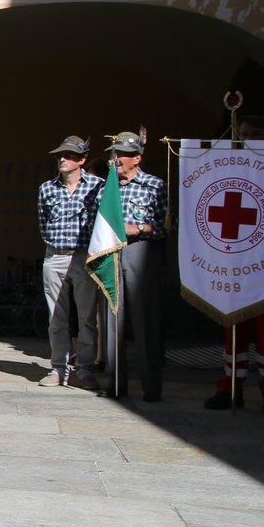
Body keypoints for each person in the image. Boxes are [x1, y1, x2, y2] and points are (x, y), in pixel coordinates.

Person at [207, 116, 264, 416]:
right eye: (243, 134)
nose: (248, 139)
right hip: (233, 266)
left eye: (256, 134)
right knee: (233, 333)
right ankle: (230, 388)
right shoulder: (226, 168)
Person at [98, 131, 167, 401]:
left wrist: (137, 229)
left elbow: (166, 225)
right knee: (112, 318)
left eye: (121, 154)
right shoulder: (106, 187)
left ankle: (151, 385)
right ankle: (114, 383)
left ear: (136, 158)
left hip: (140, 252)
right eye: (113, 154)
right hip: (110, 252)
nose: (114, 159)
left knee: (144, 320)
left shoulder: (154, 186)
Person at [37, 135, 103, 389]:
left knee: (86, 316)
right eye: (59, 156)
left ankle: (85, 369)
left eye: (69, 156)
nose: (62, 159)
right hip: (55, 255)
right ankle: (58, 368)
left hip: (84, 256)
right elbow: (43, 223)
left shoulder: (98, 187)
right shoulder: (47, 188)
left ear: (82, 160)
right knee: (56, 317)